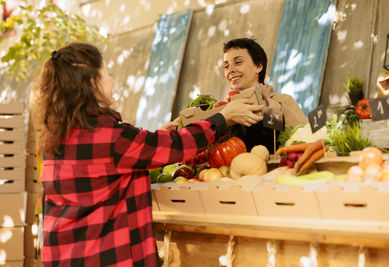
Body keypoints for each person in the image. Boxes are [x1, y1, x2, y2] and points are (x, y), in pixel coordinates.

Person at [31, 42, 263, 266]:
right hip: (105, 257)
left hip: (66, 255)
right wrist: (223, 118)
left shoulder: (59, 135)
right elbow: (176, 145)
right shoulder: (109, 136)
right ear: (91, 83)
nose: (112, 81)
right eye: (107, 74)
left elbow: (114, 159)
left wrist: (154, 137)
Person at [222, 38, 308, 153]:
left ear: (258, 66)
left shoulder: (282, 100)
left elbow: (308, 136)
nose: (230, 70)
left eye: (238, 62)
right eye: (226, 66)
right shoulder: (225, 109)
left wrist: (281, 111)